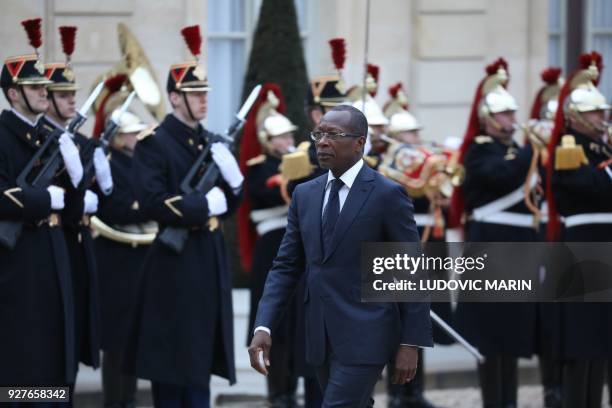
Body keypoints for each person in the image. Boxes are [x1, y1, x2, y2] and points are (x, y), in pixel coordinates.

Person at [249, 104, 433, 408]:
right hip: (320, 338)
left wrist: (411, 342)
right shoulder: (305, 195)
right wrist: (263, 326)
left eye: (334, 135)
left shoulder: (387, 194)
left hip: (368, 336)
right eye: (318, 134)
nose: (321, 142)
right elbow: (285, 267)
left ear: (360, 142)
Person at [127, 25, 242, 408]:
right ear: (175, 98)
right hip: (174, 264)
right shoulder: (155, 143)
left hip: (207, 256)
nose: (204, 100)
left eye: (205, 93)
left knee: (200, 357)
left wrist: (235, 184)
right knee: (174, 363)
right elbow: (152, 201)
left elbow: (229, 202)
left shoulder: (209, 143)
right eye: (195, 94)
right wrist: (204, 206)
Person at [451, 58, 539, 408]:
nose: (511, 120)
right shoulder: (478, 151)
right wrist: (533, 150)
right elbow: (501, 177)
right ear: (488, 118)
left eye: (511, 113)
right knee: (489, 334)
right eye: (503, 115)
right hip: (489, 244)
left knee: (514, 332)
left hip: (519, 244)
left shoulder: (516, 150)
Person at [0, 17, 76, 398]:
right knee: (21, 355)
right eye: (35, 87)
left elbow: (76, 206)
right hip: (17, 262)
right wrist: (46, 199)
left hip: (52, 255)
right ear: (14, 94)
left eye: (45, 87)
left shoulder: (51, 137)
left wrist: (79, 176)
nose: (45, 93)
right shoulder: (2, 136)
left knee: (50, 350)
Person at [40, 25, 110, 381]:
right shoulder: (40, 143)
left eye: (73, 95)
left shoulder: (80, 143)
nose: (72, 101)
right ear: (46, 98)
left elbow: (105, 195)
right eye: (63, 95)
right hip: (54, 242)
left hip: (80, 245)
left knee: (75, 333)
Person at [546, 51, 612, 408]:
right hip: (584, 243)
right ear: (576, 116)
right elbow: (587, 187)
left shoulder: (602, 147)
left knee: (603, 338)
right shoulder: (568, 147)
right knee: (583, 337)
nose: (603, 116)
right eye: (595, 112)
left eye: (603, 111)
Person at [240, 84, 299, 407]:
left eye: (290, 135)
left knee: (297, 322)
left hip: (295, 244)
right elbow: (263, 194)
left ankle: (291, 388)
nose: (288, 141)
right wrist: (288, 176)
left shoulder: (300, 162)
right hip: (271, 246)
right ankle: (278, 393)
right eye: (282, 137)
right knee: (274, 322)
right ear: (268, 139)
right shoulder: (258, 167)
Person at [92, 107, 155, 408]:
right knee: (117, 341)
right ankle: (115, 400)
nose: (136, 136)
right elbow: (114, 208)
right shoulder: (108, 162)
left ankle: (128, 399)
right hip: (117, 256)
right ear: (117, 136)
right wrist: (152, 208)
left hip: (139, 254)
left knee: (131, 340)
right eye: (131, 132)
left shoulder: (135, 161)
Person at [527, 67, 564, 408]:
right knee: (549, 314)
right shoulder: (535, 151)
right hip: (543, 235)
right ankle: (552, 384)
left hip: (571, 235)